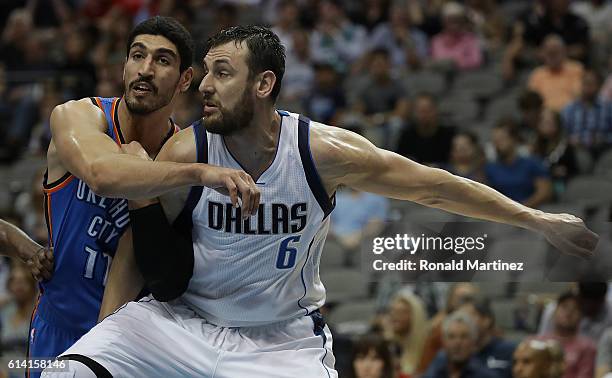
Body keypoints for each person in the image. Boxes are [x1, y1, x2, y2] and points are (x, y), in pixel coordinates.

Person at [44, 25, 598, 378]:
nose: (204, 87)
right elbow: (134, 252)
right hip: (181, 324)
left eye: (221, 73)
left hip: (278, 342)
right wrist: (107, 337)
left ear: (263, 86)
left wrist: (535, 218)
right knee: (70, 372)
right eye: (205, 73)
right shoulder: (189, 149)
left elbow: (434, 183)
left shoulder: (321, 151)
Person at [13, 16, 260, 378]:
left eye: (162, 60)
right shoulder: (78, 116)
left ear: (185, 79)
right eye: (137, 55)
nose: (145, 69)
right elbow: (102, 175)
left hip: (138, 340)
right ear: (124, 65)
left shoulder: (185, 150)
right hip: (59, 331)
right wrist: (201, 173)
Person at [486, 121, 553, 208]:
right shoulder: (490, 168)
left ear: (514, 139)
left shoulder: (532, 163)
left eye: (502, 139)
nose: (497, 144)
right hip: (501, 215)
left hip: (531, 212)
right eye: (495, 141)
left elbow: (544, 192)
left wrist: (521, 208)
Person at [422, 310, 498, 378]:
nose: (457, 343)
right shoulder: (433, 373)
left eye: (464, 337)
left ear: (473, 341)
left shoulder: (486, 376)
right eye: (451, 337)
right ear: (444, 341)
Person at [539, 292, 597, 378]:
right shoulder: (535, 342)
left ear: (581, 316)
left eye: (575, 309)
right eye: (564, 307)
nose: (569, 313)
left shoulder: (588, 348)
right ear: (554, 311)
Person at [527, 35, 584, 111]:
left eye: (556, 53)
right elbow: (532, 102)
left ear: (564, 52)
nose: (553, 57)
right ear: (543, 54)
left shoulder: (576, 69)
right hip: (545, 116)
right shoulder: (537, 74)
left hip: (571, 113)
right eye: (550, 53)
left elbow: (580, 96)